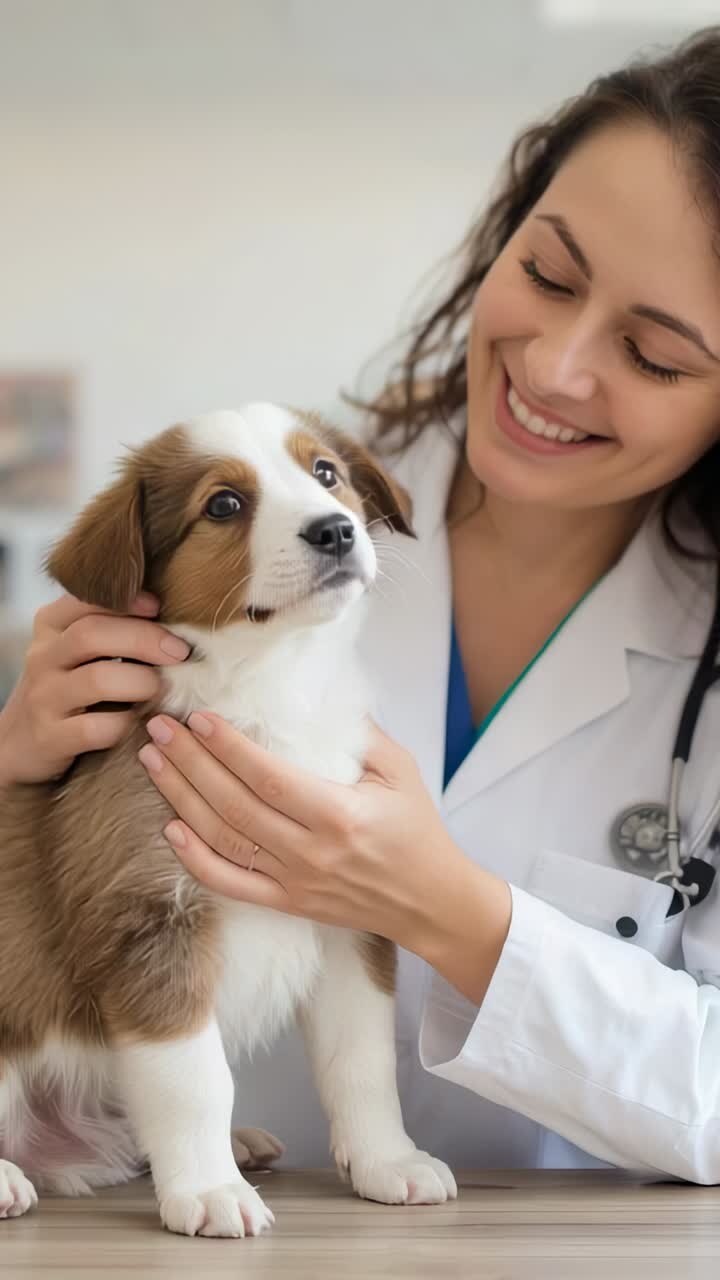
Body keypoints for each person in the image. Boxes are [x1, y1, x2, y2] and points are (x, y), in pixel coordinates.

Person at [4, 26, 720, 1181]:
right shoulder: (301, 506)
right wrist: (22, 768)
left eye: (655, 354)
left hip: (564, 1248)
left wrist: (449, 912)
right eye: (547, 273)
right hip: (174, 1218)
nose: (554, 368)